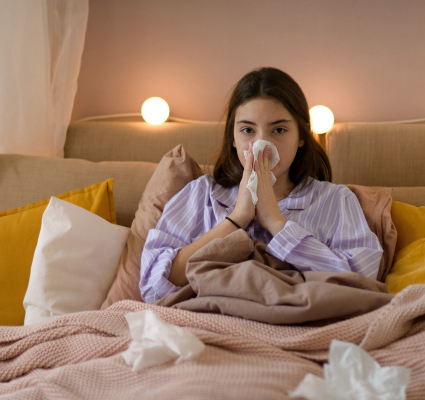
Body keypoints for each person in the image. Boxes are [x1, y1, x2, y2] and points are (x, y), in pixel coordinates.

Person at [140, 67, 383, 303]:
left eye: (278, 130)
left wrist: (277, 223)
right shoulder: (200, 194)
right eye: (247, 130)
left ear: (301, 136)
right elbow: (152, 286)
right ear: (232, 139)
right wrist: (237, 218)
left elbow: (362, 280)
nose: (262, 145)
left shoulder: (335, 199)